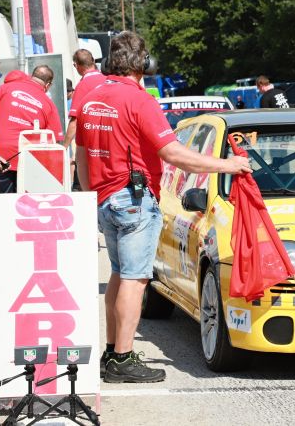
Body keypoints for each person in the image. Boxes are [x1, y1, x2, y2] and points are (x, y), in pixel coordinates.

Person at [75, 32, 251, 384]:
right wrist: (228, 165)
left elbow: (80, 152)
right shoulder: (140, 100)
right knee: (135, 279)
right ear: (143, 63)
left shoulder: (91, 98)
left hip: (106, 198)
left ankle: (112, 351)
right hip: (133, 200)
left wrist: (91, 193)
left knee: (118, 274)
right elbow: (173, 154)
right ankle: (122, 358)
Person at [0, 66, 64, 193]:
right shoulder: (49, 104)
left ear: (31, 76)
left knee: (1, 201)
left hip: (0, 157)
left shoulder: (6, 88)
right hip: (30, 161)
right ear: (48, 85)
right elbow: (54, 141)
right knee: (26, 203)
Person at [64, 49, 104, 149]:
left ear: (76, 65)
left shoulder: (82, 86)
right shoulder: (107, 80)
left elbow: (74, 122)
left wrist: (64, 147)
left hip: (92, 142)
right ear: (93, 61)